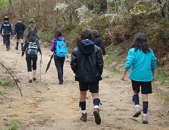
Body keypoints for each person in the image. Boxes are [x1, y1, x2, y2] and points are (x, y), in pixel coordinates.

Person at [121, 33, 157, 124]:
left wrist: (124, 74)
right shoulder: (150, 51)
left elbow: (129, 62)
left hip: (135, 76)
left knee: (135, 92)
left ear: (135, 40)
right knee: (145, 97)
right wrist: (153, 76)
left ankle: (137, 107)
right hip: (147, 77)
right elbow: (153, 64)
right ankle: (144, 117)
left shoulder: (132, 51)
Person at [70, 29, 104, 125]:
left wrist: (77, 72)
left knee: (82, 94)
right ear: (91, 37)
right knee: (95, 94)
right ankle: (96, 108)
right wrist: (98, 73)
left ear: (82, 37)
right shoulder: (97, 49)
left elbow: (73, 63)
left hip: (82, 76)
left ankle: (84, 114)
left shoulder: (76, 49)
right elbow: (100, 63)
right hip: (94, 75)